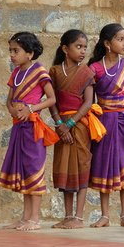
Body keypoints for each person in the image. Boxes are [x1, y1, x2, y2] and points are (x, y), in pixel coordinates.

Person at [0, 32, 59, 231]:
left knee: (34, 169)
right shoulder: (15, 73)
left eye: (16, 51)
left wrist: (31, 109)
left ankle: (35, 218)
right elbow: (9, 99)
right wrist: (11, 109)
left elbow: (51, 99)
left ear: (30, 53)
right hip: (18, 126)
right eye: (11, 51)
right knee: (24, 170)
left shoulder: (40, 72)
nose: (12, 55)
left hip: (33, 128)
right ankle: (25, 218)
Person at [88, 23, 124, 228]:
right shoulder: (94, 68)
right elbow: (90, 98)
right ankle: (104, 215)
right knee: (104, 164)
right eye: (120, 39)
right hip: (103, 123)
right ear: (107, 43)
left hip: (122, 121)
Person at [49, 29, 105, 229]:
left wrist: (70, 124)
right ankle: (67, 216)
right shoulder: (54, 71)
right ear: (65, 48)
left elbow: (88, 102)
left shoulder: (87, 72)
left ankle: (79, 218)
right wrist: (59, 124)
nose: (82, 51)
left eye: (84, 47)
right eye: (78, 47)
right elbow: (52, 100)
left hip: (79, 126)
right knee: (64, 167)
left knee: (81, 165)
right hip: (61, 126)